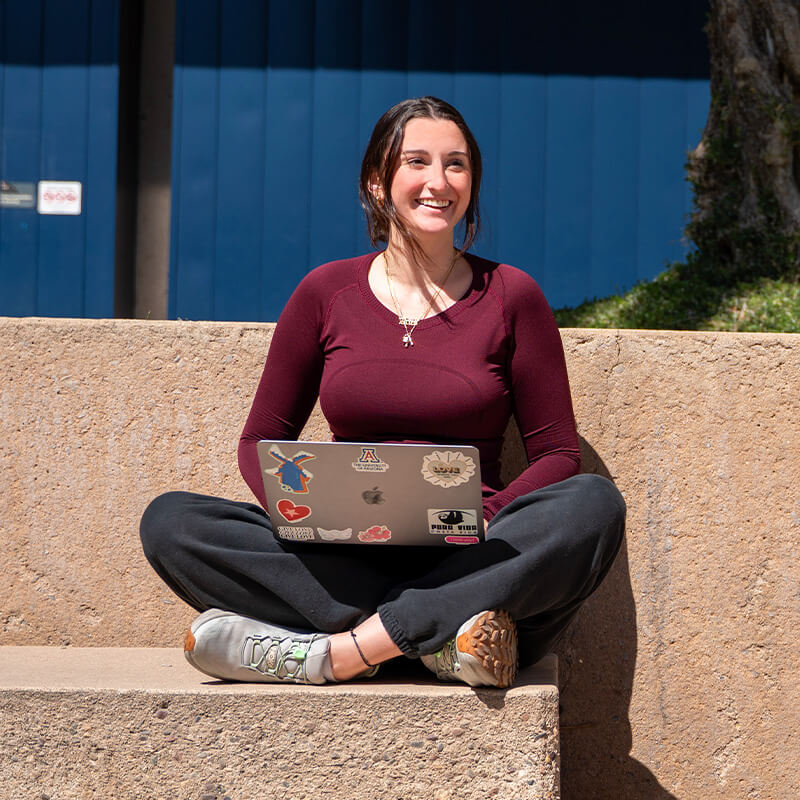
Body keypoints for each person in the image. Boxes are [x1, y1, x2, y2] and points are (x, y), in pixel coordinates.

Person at [140, 96, 625, 689]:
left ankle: (337, 652)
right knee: (171, 522)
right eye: (417, 162)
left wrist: (476, 517)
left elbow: (556, 455)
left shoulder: (512, 295)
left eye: (456, 164)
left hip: (473, 555)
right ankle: (437, 643)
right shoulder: (325, 292)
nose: (438, 182)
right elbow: (262, 439)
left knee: (592, 505)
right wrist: (304, 512)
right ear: (378, 181)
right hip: (348, 554)